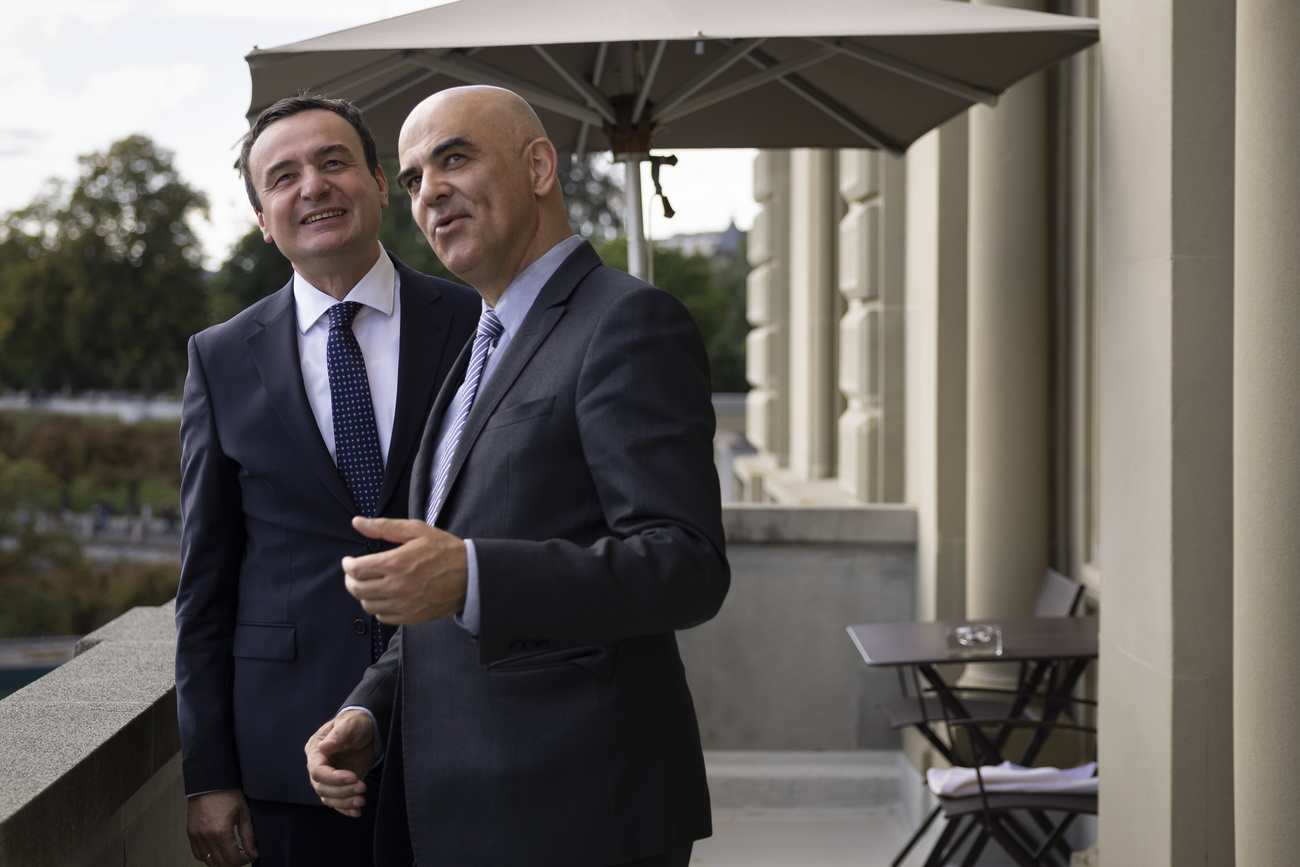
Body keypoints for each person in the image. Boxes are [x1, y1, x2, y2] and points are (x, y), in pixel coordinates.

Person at [304, 86, 730, 867]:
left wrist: (470, 573)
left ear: (538, 166)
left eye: (454, 157)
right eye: (410, 178)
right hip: (455, 812)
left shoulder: (629, 322)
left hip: (577, 815)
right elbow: (445, 590)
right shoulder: (479, 346)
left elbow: (684, 563)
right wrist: (374, 706)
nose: (428, 190)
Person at [175, 94, 480, 867]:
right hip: (289, 760)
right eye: (284, 175)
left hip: (468, 730)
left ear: (381, 184)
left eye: (333, 161)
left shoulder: (478, 322)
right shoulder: (219, 358)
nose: (312, 185)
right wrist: (207, 774)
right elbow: (205, 582)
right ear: (260, 216)